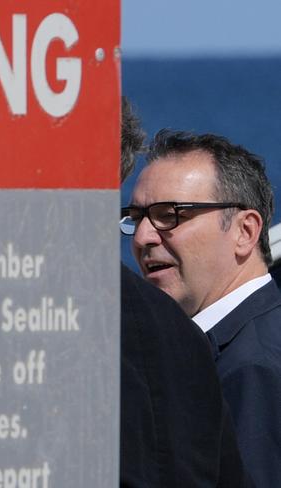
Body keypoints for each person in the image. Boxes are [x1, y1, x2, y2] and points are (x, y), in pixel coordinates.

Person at [123, 129, 281, 486]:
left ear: (245, 231)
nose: (142, 238)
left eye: (170, 215)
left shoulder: (253, 368)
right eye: (136, 217)